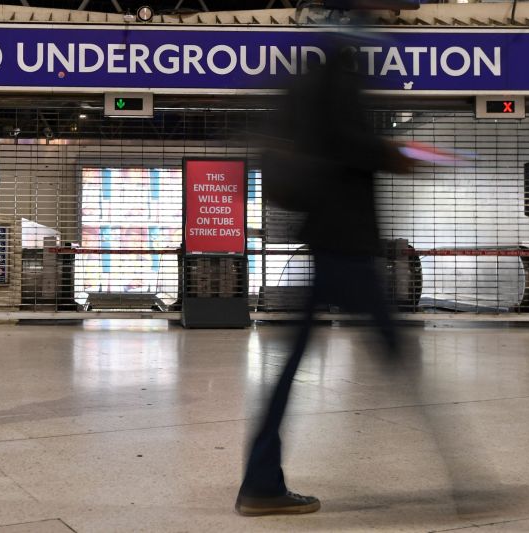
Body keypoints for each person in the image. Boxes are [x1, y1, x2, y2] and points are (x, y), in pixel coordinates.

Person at [235, 36, 413, 516]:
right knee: (403, 361)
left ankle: (260, 483)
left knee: (294, 367)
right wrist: (392, 153)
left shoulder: (329, 65)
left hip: (332, 236)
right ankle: (466, 484)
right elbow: (344, 143)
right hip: (345, 240)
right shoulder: (341, 64)